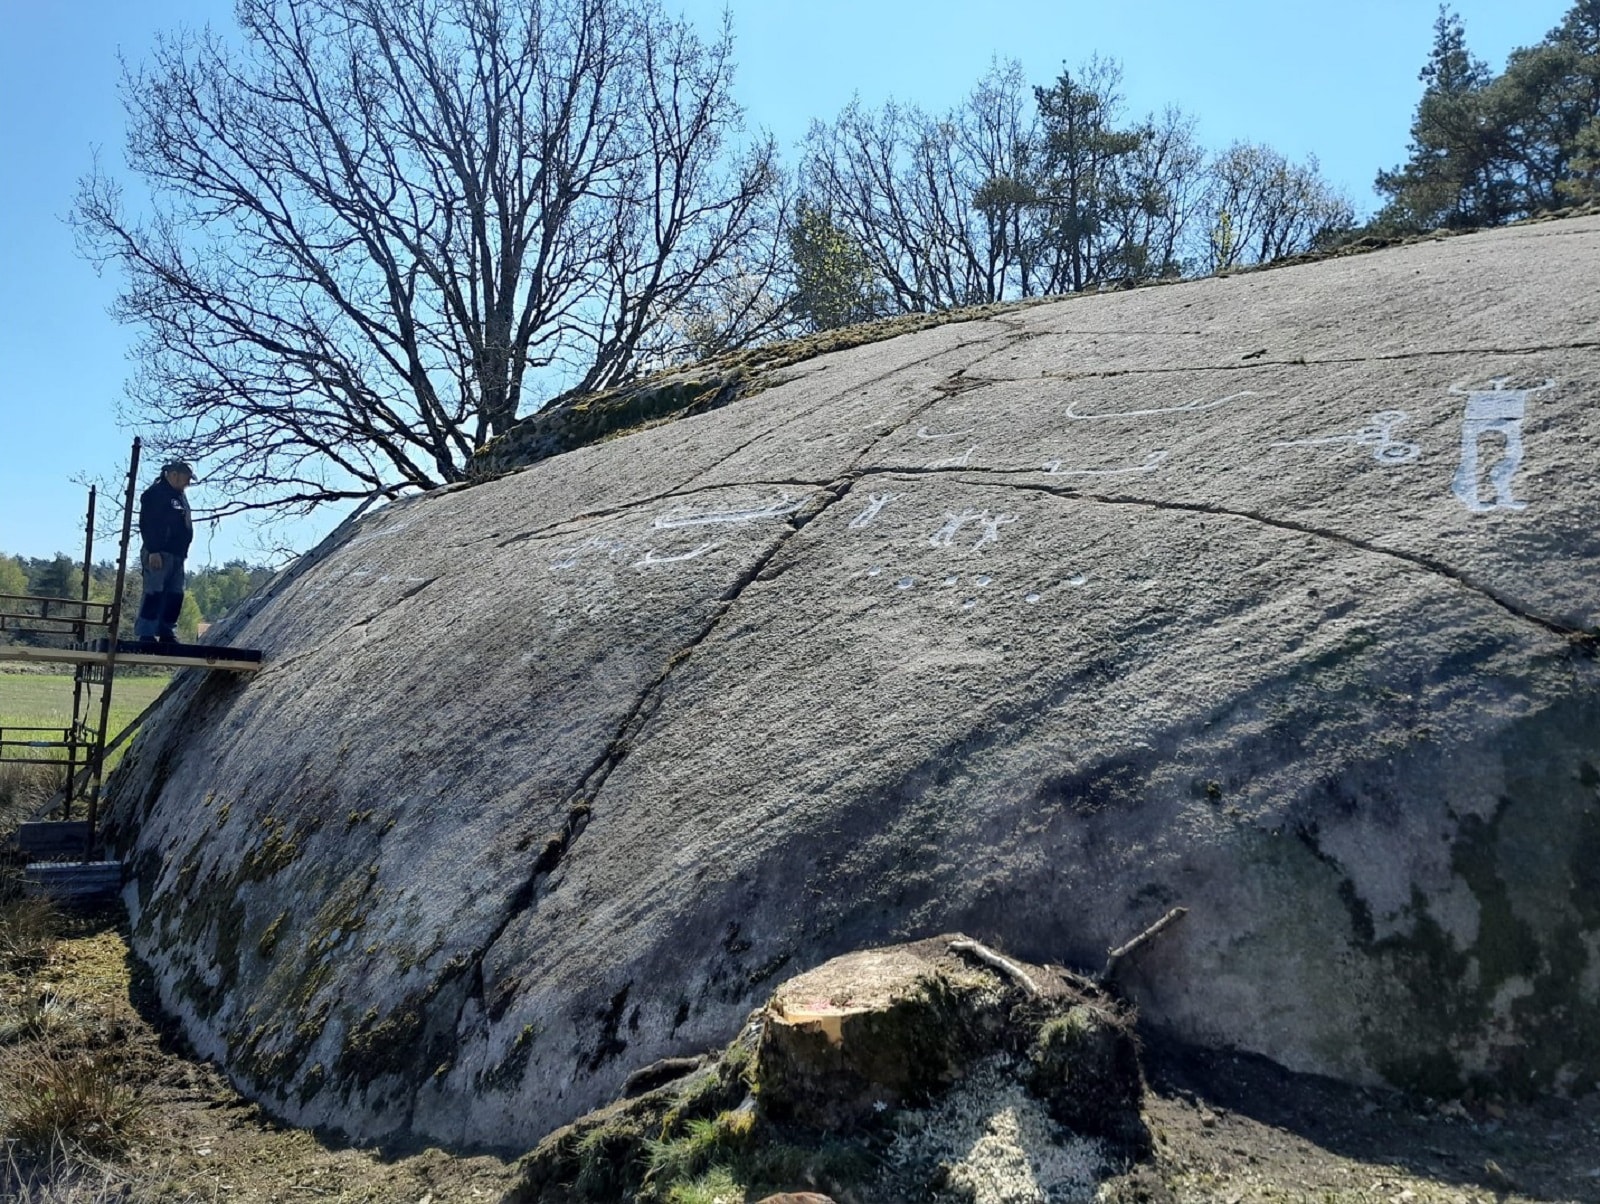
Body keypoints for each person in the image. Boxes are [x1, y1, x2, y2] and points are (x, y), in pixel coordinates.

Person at [134, 460, 197, 647]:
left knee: (175, 594)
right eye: (186, 478)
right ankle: (146, 632)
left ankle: (166, 630)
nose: (188, 483)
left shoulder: (180, 496)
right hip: (159, 552)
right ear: (174, 474)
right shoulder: (155, 494)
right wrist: (153, 550)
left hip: (177, 555)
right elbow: (148, 524)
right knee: (154, 592)